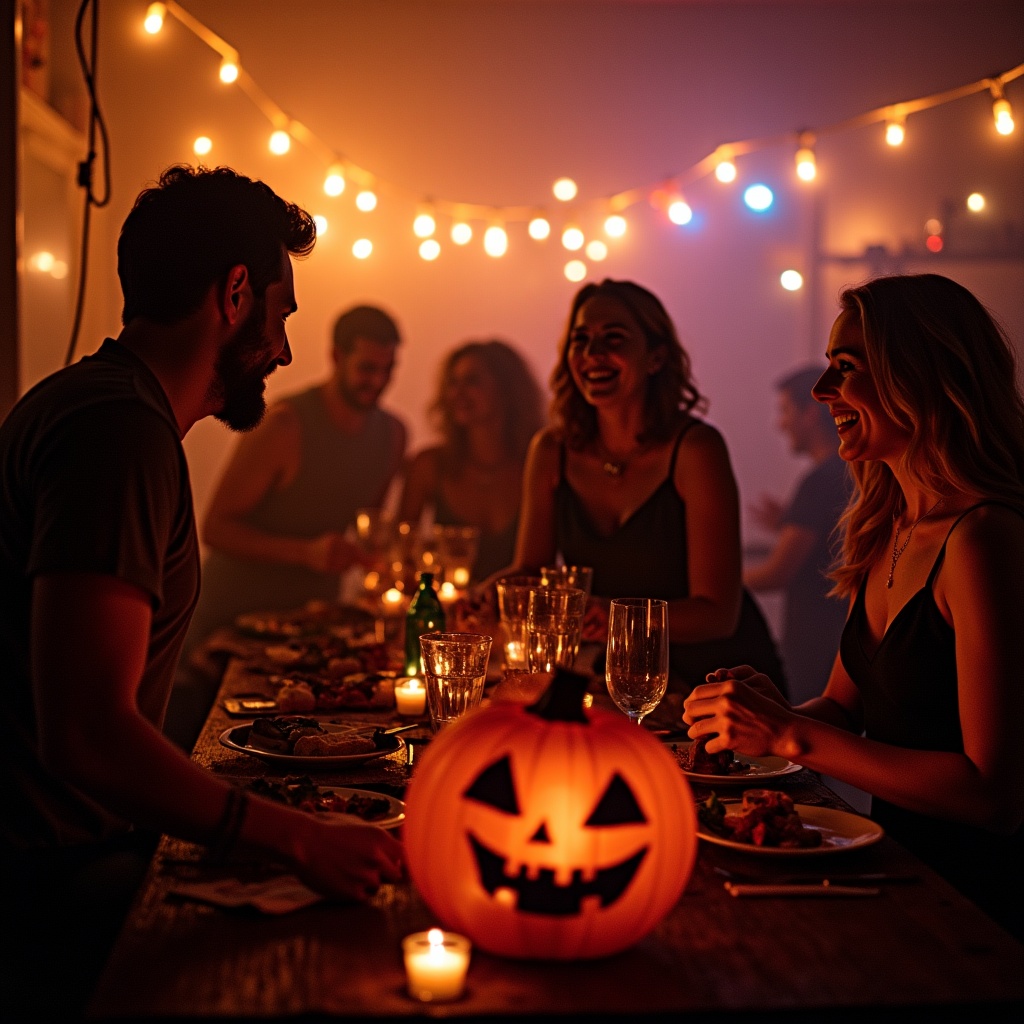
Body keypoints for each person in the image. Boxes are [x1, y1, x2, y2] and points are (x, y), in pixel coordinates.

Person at [0, 166, 403, 1016]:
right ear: (234, 294)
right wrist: (294, 834)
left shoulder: (105, 408)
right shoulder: (118, 435)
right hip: (43, 879)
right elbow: (87, 734)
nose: (284, 348)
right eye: (282, 313)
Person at [683, 274, 1024, 937]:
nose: (821, 392)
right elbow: (843, 708)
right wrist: (761, 717)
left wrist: (787, 735)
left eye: (845, 368)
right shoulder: (888, 524)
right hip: (905, 877)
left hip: (985, 908)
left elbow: (994, 796)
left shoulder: (985, 539)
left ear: (918, 374)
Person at [505, 279, 785, 702]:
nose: (593, 354)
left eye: (613, 339)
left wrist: (611, 616)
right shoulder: (550, 451)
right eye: (581, 341)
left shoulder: (695, 449)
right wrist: (487, 597)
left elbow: (718, 614)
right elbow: (529, 570)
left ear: (656, 357)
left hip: (716, 680)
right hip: (620, 675)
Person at [190, 303, 407, 635]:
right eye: (367, 368)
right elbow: (215, 529)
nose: (378, 381)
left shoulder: (393, 435)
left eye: (388, 369)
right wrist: (306, 553)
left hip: (313, 624)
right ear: (336, 356)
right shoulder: (284, 426)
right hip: (234, 621)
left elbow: (369, 527)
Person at [744, 366, 851, 703]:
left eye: (785, 410)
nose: (780, 423)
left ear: (809, 413)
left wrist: (712, 584)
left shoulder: (819, 482)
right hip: (838, 644)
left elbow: (778, 572)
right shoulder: (845, 473)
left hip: (816, 649)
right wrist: (785, 524)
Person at [398, 340, 544, 583]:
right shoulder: (430, 465)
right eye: (453, 383)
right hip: (448, 615)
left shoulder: (537, 465)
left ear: (508, 390)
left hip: (517, 616)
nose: (458, 392)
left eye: (472, 381)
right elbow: (401, 553)